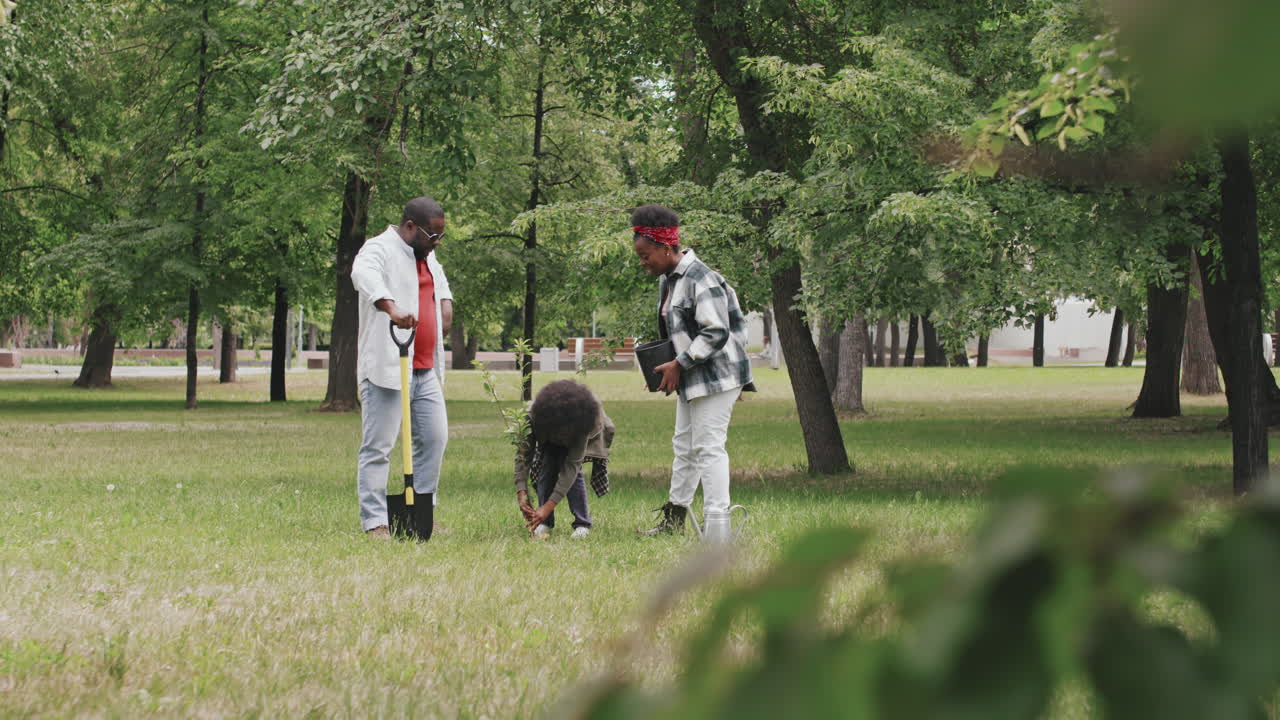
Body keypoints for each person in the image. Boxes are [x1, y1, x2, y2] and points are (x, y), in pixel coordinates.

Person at [630, 204, 754, 536]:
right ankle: (674, 521)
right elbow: (677, 333)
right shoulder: (668, 281)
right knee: (684, 446)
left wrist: (679, 364)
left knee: (708, 447)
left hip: (719, 375)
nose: (643, 264)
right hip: (692, 373)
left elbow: (716, 331)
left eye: (645, 256)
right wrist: (661, 368)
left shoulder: (702, 278)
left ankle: (718, 529)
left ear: (666, 247)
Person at [350, 196, 453, 539]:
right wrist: (392, 309)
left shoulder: (428, 255)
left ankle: (421, 512)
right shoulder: (377, 249)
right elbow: (363, 276)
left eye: (440, 236)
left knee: (435, 439)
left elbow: (441, 290)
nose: (436, 242)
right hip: (387, 368)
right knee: (379, 446)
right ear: (410, 227)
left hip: (424, 369)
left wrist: (445, 310)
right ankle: (375, 521)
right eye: (432, 235)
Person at [514, 380, 615, 539]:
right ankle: (545, 522)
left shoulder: (583, 421)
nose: (560, 440)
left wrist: (547, 507)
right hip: (548, 433)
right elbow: (523, 455)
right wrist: (522, 493)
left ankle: (582, 524)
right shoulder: (534, 416)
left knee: (572, 472)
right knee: (547, 466)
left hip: (582, 432)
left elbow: (571, 468)